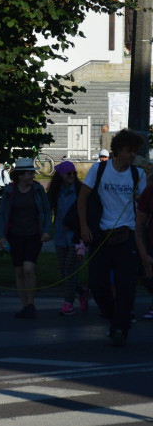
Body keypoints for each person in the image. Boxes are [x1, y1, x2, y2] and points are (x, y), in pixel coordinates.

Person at [77, 128, 147, 346]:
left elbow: (143, 204)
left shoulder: (138, 174)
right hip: (101, 234)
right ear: (118, 150)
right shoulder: (99, 170)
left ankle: (120, 327)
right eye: (128, 151)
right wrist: (84, 226)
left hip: (127, 235)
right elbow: (82, 198)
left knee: (126, 285)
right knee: (98, 284)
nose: (132, 155)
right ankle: (115, 316)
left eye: (135, 151)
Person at [0, 158, 52, 320]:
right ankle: (24, 305)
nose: (32, 175)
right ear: (20, 175)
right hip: (15, 235)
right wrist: (1, 235)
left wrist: (47, 230)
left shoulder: (37, 189)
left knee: (29, 268)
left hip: (34, 234)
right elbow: (2, 214)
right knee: (19, 271)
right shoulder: (10, 191)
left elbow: (47, 211)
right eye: (29, 173)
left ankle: (31, 304)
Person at [48, 160, 87, 316]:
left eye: (74, 174)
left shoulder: (80, 190)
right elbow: (47, 210)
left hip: (76, 237)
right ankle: (82, 292)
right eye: (68, 174)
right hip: (59, 236)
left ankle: (68, 303)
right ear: (61, 176)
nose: (72, 176)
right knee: (64, 273)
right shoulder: (55, 192)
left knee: (71, 270)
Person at [136, 167, 153, 321]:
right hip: (151, 241)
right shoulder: (149, 192)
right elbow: (140, 222)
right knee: (147, 276)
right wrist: (142, 250)